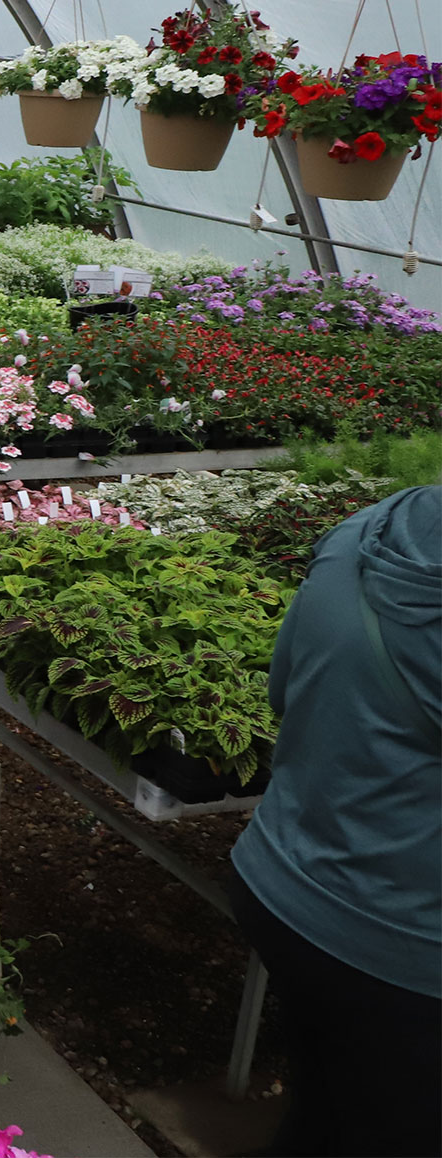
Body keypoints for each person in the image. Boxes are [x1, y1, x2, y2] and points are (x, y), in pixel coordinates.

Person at [227, 483, 440, 1157]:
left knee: (326, 1110)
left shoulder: (370, 531)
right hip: (401, 941)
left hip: (283, 885)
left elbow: (283, 687)